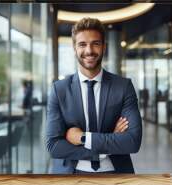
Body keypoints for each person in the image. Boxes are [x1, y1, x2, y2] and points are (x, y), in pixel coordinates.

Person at [46, 17, 142, 174]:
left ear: (104, 47)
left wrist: (83, 138)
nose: (89, 50)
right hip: (71, 174)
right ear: (74, 48)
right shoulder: (59, 90)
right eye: (82, 44)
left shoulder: (124, 87)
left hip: (116, 173)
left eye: (95, 43)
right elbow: (54, 146)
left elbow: (132, 141)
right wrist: (106, 146)